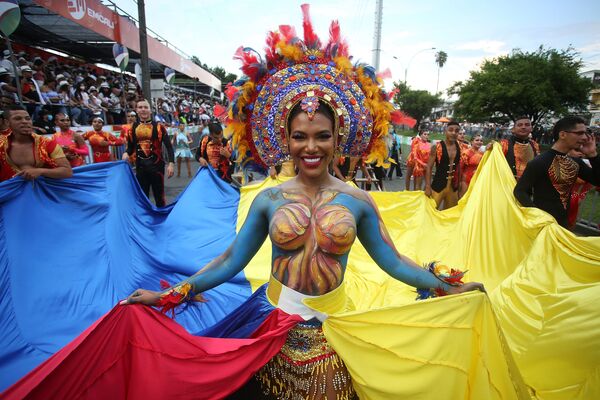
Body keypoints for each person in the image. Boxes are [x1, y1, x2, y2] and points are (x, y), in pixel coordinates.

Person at [122, 12, 484, 399]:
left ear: (338, 138)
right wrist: (171, 294)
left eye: (322, 136)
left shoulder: (357, 201)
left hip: (335, 328)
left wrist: (447, 288)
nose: (311, 147)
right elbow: (230, 261)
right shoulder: (270, 199)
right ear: (286, 140)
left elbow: (393, 262)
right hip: (273, 324)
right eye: (300, 137)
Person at [514, 116, 600, 228]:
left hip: (563, 225)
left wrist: (592, 155)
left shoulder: (575, 162)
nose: (584, 137)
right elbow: (520, 191)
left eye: (585, 133)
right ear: (563, 135)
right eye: (579, 133)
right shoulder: (539, 162)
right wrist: (538, 215)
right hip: (541, 227)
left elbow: (597, 180)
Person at [122, 99, 175, 207]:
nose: (143, 110)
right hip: (141, 168)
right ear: (136, 110)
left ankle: (161, 220)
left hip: (157, 168)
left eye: (146, 107)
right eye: (140, 107)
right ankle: (145, 221)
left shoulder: (160, 127)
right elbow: (131, 147)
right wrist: (126, 153)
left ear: (150, 110)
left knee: (159, 197)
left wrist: (171, 163)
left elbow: (169, 147)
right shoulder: (132, 129)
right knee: (143, 197)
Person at [0, 105, 72, 182]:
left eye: (28, 118)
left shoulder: (47, 143)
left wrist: (40, 171)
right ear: (7, 122)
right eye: (18, 119)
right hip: (10, 191)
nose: (24, 121)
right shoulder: (1, 145)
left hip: (45, 190)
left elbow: (67, 172)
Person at [425, 122, 464, 210]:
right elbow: (429, 167)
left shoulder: (461, 147)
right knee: (431, 211)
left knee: (450, 213)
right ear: (445, 131)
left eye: (456, 131)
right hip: (438, 185)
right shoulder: (437, 147)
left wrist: (490, 147)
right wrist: (427, 186)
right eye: (450, 130)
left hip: (453, 187)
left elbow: (475, 151)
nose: (454, 133)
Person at [501, 116, 539, 180]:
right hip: (508, 183)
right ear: (513, 129)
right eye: (519, 125)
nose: (523, 127)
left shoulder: (534, 145)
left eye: (527, 125)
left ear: (531, 128)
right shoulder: (504, 144)